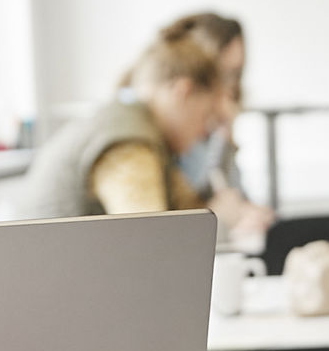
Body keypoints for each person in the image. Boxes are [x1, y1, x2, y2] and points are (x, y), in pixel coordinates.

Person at [15, 12, 269, 242]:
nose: (205, 132)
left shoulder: (140, 130)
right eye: (205, 117)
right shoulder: (130, 144)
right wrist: (222, 221)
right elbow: (149, 245)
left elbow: (187, 211)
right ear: (182, 92)